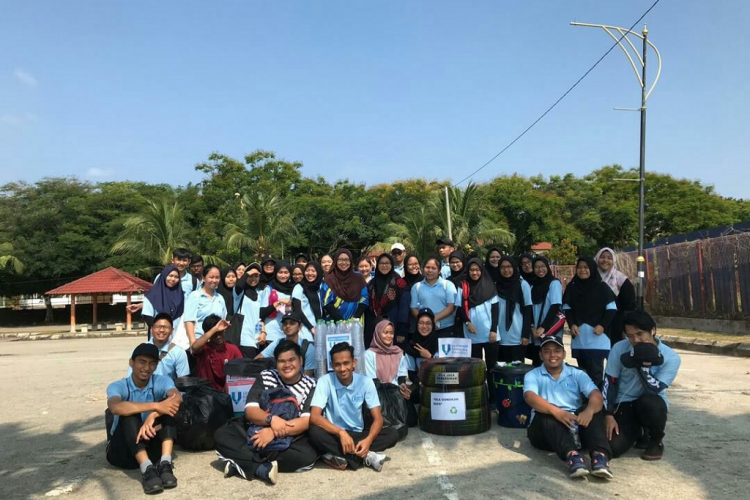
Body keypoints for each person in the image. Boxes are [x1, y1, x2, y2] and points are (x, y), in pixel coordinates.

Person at [215, 340, 318, 485]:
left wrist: (273, 432)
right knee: (222, 435)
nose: (287, 365)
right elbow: (250, 410)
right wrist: (271, 420)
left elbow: (305, 421)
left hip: (288, 435)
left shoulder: (311, 384)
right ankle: (261, 468)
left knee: (307, 456)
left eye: (291, 360)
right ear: (276, 363)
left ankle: (240, 462)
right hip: (256, 429)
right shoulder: (265, 376)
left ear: (300, 360)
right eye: (281, 361)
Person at [524, 337, 613, 479]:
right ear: (541, 355)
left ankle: (600, 457)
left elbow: (596, 395)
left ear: (564, 354)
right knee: (546, 413)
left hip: (574, 426)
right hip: (544, 432)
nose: (553, 355)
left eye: (557, 351)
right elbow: (530, 396)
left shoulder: (577, 373)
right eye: (547, 351)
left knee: (592, 410)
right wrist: (557, 412)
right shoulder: (532, 375)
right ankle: (573, 457)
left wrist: (589, 411)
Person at [603, 310, 681, 461]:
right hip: (624, 402)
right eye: (630, 336)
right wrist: (608, 414)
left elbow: (656, 388)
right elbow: (609, 382)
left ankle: (655, 440)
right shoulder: (619, 348)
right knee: (614, 448)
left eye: (639, 334)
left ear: (653, 330)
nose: (635, 340)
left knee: (650, 401)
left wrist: (642, 364)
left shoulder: (671, 357)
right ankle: (637, 431)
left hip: (650, 402)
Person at [309, 342, 400, 471]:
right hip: (334, 433)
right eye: (337, 364)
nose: (342, 368)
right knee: (314, 432)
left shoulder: (365, 382)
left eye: (346, 363)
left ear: (354, 363)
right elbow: (314, 417)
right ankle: (364, 456)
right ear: (331, 365)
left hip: (358, 434)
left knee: (392, 434)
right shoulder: (325, 381)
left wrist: (368, 440)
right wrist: (341, 432)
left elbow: (378, 419)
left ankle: (346, 455)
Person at [106, 343, 182, 494]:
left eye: (152, 363)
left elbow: (177, 398)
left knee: (169, 409)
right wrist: (155, 406)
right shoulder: (118, 385)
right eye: (142, 362)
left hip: (151, 445)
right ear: (131, 363)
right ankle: (147, 469)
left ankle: (165, 463)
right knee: (129, 413)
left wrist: (154, 414)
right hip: (122, 451)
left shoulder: (161, 381)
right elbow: (114, 407)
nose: (146, 367)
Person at [563, 257, 617, 386]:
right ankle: (586, 402)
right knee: (582, 374)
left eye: (586, 267)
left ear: (592, 269)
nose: (582, 270)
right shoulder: (572, 286)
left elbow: (611, 309)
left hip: (597, 337)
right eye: (580, 267)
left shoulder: (602, 287)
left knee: (596, 374)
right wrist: (572, 324)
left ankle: (597, 403)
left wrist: (603, 325)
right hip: (580, 337)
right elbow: (567, 308)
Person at [455, 258, 499, 403]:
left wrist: (493, 330)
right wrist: (467, 322)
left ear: (482, 270)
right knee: (475, 370)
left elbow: (495, 310)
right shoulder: (464, 285)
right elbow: (460, 307)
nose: (474, 273)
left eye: (477, 270)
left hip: (490, 335)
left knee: (492, 368)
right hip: (471, 335)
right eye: (472, 270)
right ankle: (478, 399)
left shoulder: (490, 285)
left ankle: (493, 399)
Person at [488, 255, 533, 363]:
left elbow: (528, 311)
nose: (506, 270)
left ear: (514, 267)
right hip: (499, 337)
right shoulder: (495, 285)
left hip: (517, 337)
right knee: (501, 371)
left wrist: (525, 335)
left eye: (509, 266)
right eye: (502, 267)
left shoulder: (522, 284)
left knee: (516, 373)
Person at [365, 253, 410, 348]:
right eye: (381, 263)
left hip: (394, 327)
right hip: (375, 328)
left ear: (392, 265)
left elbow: (404, 307)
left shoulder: (399, 283)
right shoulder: (371, 284)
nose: (384, 266)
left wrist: (401, 330)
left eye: (387, 263)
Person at [127, 313, 190, 380]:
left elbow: (183, 380)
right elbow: (131, 378)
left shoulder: (178, 352)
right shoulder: (139, 350)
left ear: (172, 330)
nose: (161, 330)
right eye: (158, 327)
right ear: (151, 329)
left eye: (166, 327)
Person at [595, 247, 636, 346]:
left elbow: (629, 307)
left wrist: (626, 328)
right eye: (602, 257)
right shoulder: (590, 279)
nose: (605, 260)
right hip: (594, 327)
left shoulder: (621, 280)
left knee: (615, 357)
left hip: (616, 327)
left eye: (609, 258)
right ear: (596, 259)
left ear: (614, 260)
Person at [528, 256, 564, 367]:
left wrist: (542, 328)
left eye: (543, 266)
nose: (540, 270)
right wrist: (533, 328)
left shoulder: (554, 283)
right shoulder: (533, 285)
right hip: (536, 332)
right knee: (538, 361)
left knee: (551, 360)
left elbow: (555, 306)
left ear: (547, 267)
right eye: (537, 267)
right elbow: (530, 308)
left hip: (550, 329)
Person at [256, 312, 316, 377]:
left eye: (292, 323)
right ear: (282, 327)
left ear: (300, 327)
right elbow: (258, 359)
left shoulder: (308, 348)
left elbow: (307, 376)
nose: (288, 326)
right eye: (285, 323)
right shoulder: (277, 343)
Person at [192, 314, 243, 392]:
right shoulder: (204, 348)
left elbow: (242, 371)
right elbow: (194, 347)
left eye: (220, 333)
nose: (218, 337)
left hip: (227, 394)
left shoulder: (233, 349)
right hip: (206, 394)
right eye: (215, 334)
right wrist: (215, 329)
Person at [409, 257, 457, 338]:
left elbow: (451, 306)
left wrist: (434, 318)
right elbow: (413, 308)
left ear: (439, 270)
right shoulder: (417, 287)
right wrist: (425, 322)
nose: (430, 270)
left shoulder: (448, 285)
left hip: (446, 328)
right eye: (427, 267)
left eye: (433, 268)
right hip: (425, 330)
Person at [184, 265, 228, 349]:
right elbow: (189, 321)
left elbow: (223, 320)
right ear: (204, 278)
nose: (214, 280)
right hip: (200, 342)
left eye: (217, 278)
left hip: (216, 344)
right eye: (211, 277)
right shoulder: (195, 296)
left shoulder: (220, 298)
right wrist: (193, 343)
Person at [320, 249, 369, 321]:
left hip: (355, 323)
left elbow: (365, 298)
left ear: (351, 261)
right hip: (334, 324)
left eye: (346, 259)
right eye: (340, 260)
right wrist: (340, 321)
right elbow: (327, 303)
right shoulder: (329, 279)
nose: (343, 262)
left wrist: (356, 317)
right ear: (336, 261)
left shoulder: (359, 278)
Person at [236, 263, 271, 358]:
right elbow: (238, 286)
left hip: (255, 339)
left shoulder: (258, 294)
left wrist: (262, 332)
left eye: (256, 276)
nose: (253, 279)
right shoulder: (239, 294)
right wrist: (247, 273)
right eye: (250, 276)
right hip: (243, 338)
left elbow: (257, 318)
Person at [141, 265, 184, 341]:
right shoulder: (151, 296)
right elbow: (148, 317)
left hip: (177, 338)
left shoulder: (181, 295)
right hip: (159, 337)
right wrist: (163, 331)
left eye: (176, 277)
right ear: (164, 276)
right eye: (170, 276)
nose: (173, 279)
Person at [364, 320, 409, 387]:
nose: (389, 336)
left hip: (395, 391)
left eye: (391, 333)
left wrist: (403, 386)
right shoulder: (369, 354)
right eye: (385, 332)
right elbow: (371, 379)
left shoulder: (398, 352)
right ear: (378, 333)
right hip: (376, 392)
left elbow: (401, 376)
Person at [261, 261, 296, 343]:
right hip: (271, 334)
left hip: (287, 334)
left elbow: (294, 312)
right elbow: (261, 312)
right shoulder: (269, 289)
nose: (283, 275)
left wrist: (290, 304)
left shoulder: (293, 290)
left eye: (286, 272)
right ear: (276, 273)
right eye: (280, 272)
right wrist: (276, 304)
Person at [292, 261, 324, 338]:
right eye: (307, 270)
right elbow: (297, 310)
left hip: (319, 330)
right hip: (304, 331)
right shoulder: (299, 287)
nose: (310, 273)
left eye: (313, 271)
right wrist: (311, 327)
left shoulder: (320, 287)